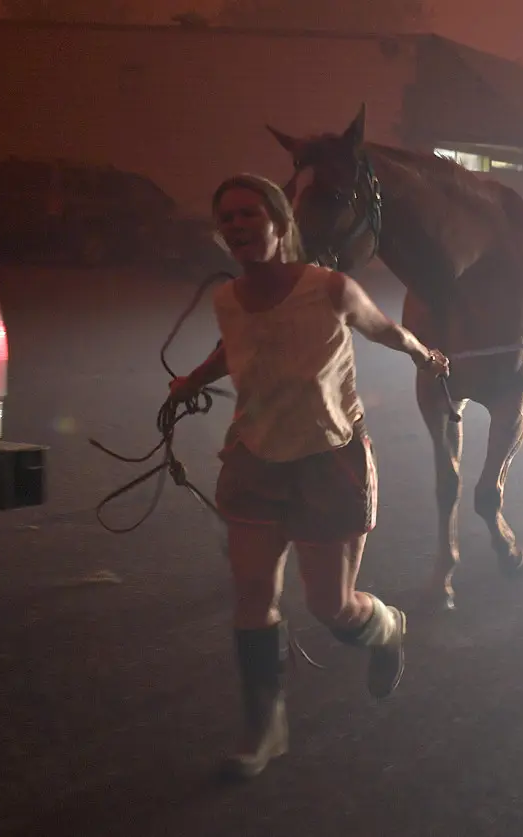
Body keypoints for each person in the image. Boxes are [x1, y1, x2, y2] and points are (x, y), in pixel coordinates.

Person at [168, 173, 449, 779]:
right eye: (229, 218)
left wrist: (426, 355)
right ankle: (264, 730)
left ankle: (386, 627)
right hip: (254, 460)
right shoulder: (227, 299)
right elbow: (236, 346)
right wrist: (194, 378)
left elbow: (384, 329)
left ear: (278, 224)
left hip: (329, 461)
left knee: (331, 605)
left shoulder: (331, 288)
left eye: (250, 214)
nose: (239, 226)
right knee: (252, 598)